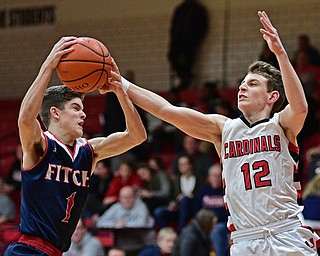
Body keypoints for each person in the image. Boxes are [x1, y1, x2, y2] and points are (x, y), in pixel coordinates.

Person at [112, 11, 320, 255]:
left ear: (272, 96)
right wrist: (121, 83)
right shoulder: (223, 129)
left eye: (253, 83)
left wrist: (281, 54)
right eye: (242, 82)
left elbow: (300, 107)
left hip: (285, 232)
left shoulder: (281, 124)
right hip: (245, 238)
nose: (243, 86)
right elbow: (166, 110)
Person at [4, 36, 147, 256]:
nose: (83, 114)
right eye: (75, 108)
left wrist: (120, 92)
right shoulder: (39, 145)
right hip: (29, 249)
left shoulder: (90, 151)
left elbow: (136, 136)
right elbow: (25, 119)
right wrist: (48, 66)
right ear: (55, 113)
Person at [96, 186, 155, 255]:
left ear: (134, 197)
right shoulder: (116, 207)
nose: (126, 200)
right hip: (121, 246)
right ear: (120, 198)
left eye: (129, 197)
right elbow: (100, 222)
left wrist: (125, 224)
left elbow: (142, 223)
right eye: (124, 198)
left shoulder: (141, 206)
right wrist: (115, 224)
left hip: (141, 245)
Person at [154, 154, 205, 232]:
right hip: (178, 208)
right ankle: (165, 234)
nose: (181, 166)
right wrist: (172, 203)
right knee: (159, 212)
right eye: (179, 164)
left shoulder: (199, 178)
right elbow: (172, 196)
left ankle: (181, 232)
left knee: (184, 200)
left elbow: (201, 195)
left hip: (193, 208)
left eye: (184, 164)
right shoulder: (176, 179)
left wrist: (186, 196)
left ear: (190, 165)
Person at [168, 0, 208, 88]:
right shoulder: (180, 8)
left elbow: (202, 26)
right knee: (172, 57)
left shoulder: (198, 9)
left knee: (188, 61)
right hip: (177, 39)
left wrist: (195, 38)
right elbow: (174, 24)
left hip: (190, 41)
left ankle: (186, 79)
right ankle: (182, 77)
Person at [193, 163, 229, 256]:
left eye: (218, 176)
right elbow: (196, 210)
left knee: (217, 229)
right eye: (213, 175)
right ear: (209, 177)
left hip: (222, 225)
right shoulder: (203, 191)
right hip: (205, 225)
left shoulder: (227, 191)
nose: (215, 178)